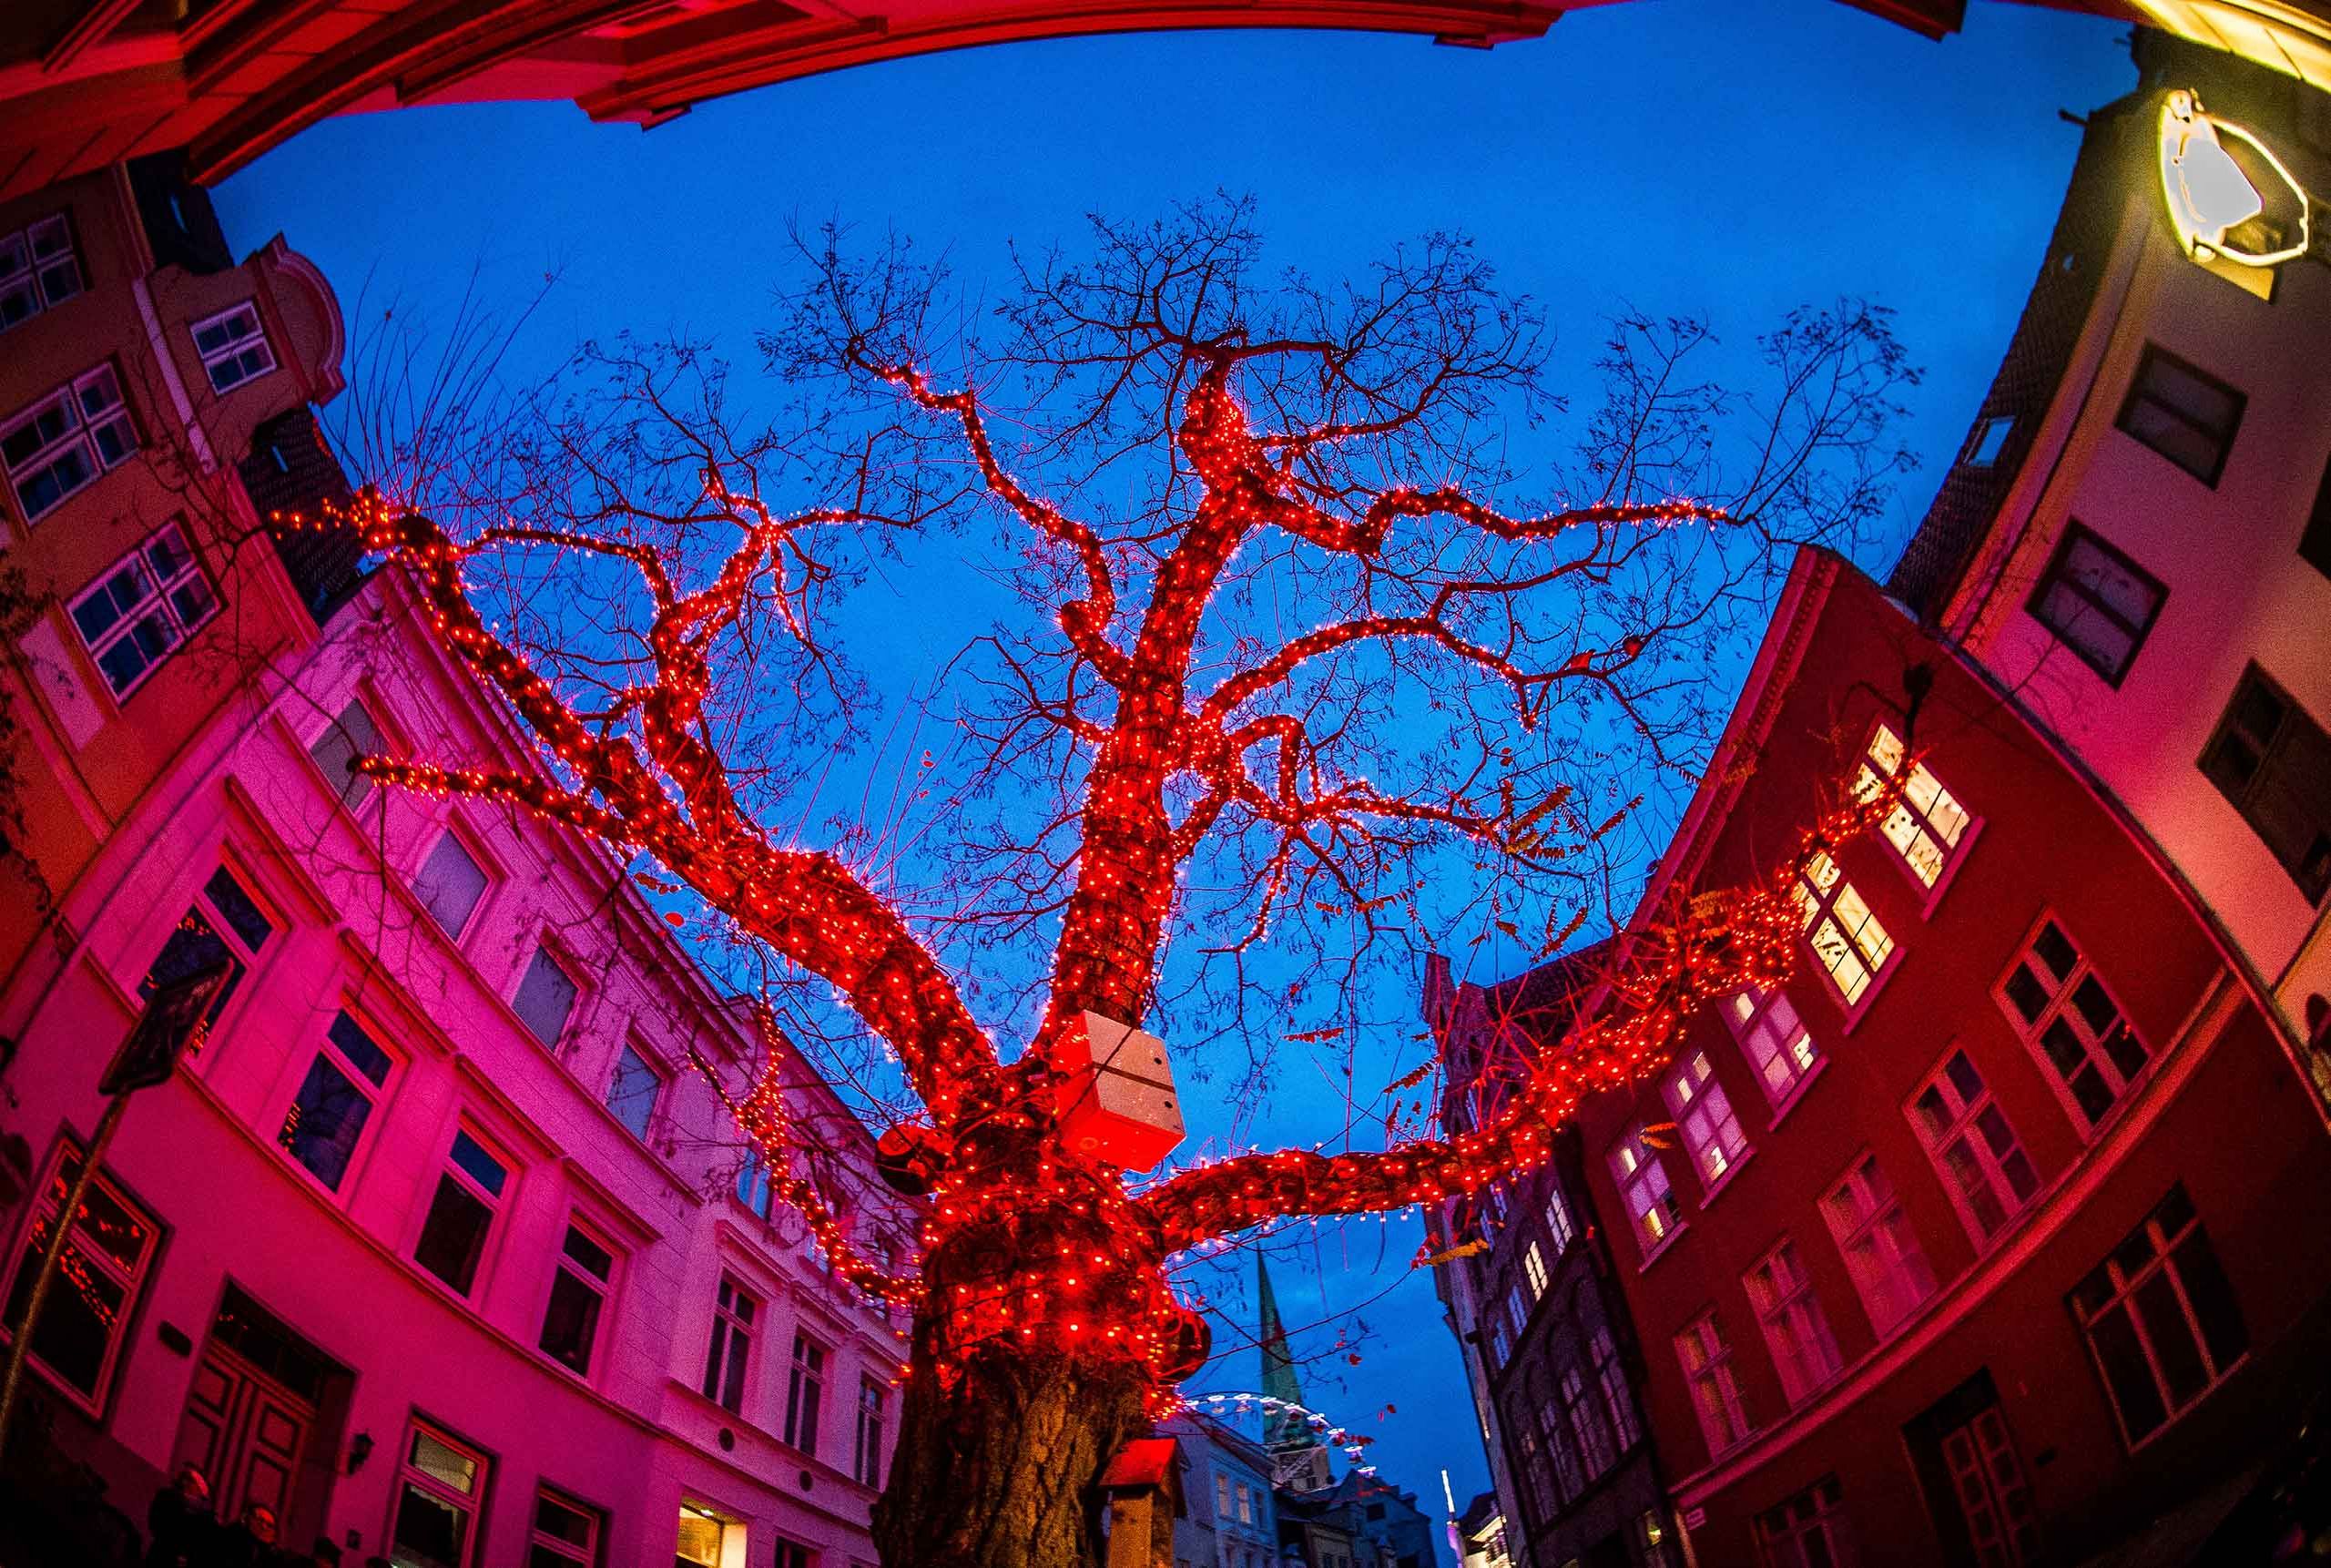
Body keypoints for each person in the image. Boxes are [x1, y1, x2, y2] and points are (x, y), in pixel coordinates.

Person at [145, 1466, 215, 1568]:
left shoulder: (204, 1514)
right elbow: (158, 1525)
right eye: (183, 1478)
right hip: (161, 1558)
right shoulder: (168, 1497)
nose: (184, 1483)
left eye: (191, 1481)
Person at [212, 1502, 281, 1568]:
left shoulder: (271, 1554)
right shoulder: (230, 1538)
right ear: (245, 1518)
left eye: (269, 1525)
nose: (264, 1527)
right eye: (260, 1520)